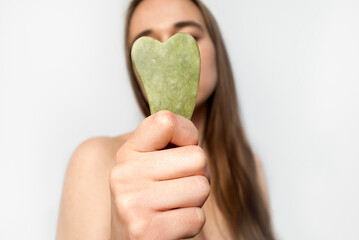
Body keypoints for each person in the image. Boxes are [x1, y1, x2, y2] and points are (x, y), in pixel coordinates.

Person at [56, 0, 276, 239]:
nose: (167, 56)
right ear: (137, 75)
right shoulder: (95, 160)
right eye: (148, 47)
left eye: (189, 36)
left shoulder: (249, 168)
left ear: (217, 52)